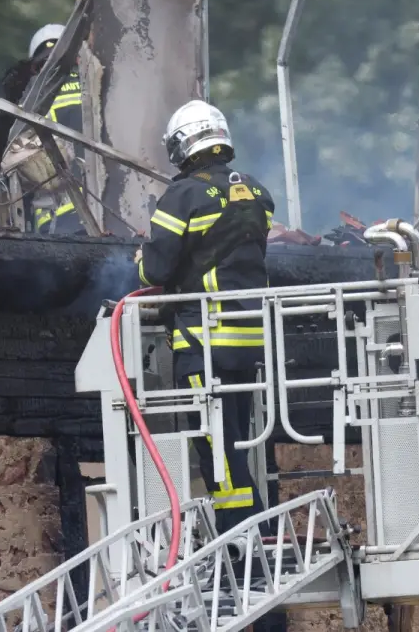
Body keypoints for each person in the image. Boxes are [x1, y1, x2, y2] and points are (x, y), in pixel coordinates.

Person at [134, 99, 276, 535]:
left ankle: (239, 532)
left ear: (182, 146)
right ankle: (256, 524)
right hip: (250, 335)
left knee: (216, 444)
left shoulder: (182, 196)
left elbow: (154, 270)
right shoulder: (256, 192)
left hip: (204, 340)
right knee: (241, 436)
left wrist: (139, 259)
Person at [25, 24, 88, 236]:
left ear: (36, 65)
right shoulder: (96, 86)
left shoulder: (28, 100)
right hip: (97, 208)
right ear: (77, 57)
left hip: (54, 218)